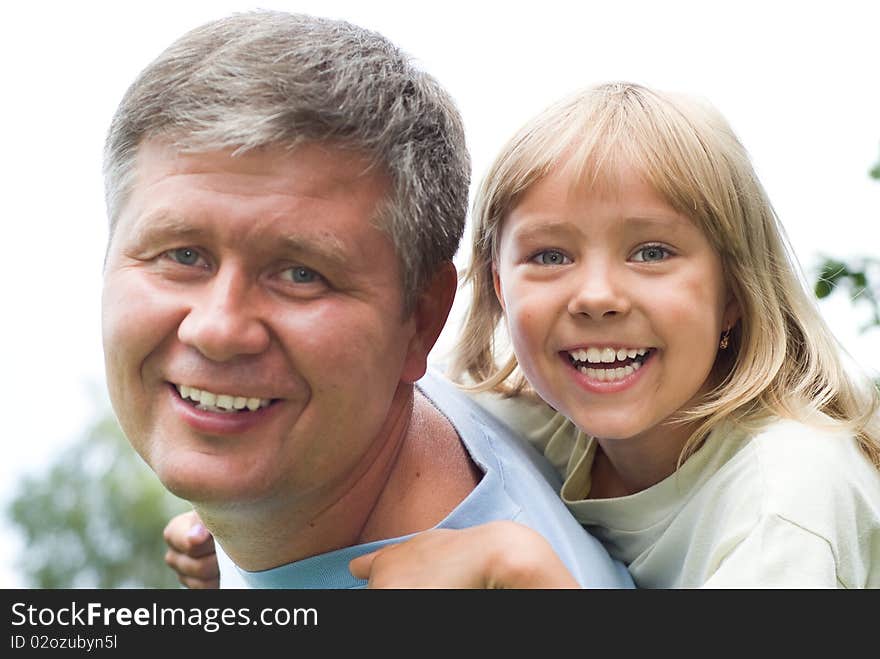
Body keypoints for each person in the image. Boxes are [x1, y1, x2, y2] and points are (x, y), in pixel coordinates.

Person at [168, 81, 880, 588]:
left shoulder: (788, 498)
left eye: (652, 252)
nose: (597, 295)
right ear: (498, 287)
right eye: (550, 255)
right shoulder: (539, 421)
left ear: (734, 294)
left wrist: (530, 577)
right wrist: (245, 536)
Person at [102, 10, 632, 589]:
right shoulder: (444, 432)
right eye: (182, 256)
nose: (217, 329)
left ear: (420, 321)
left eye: (302, 274)